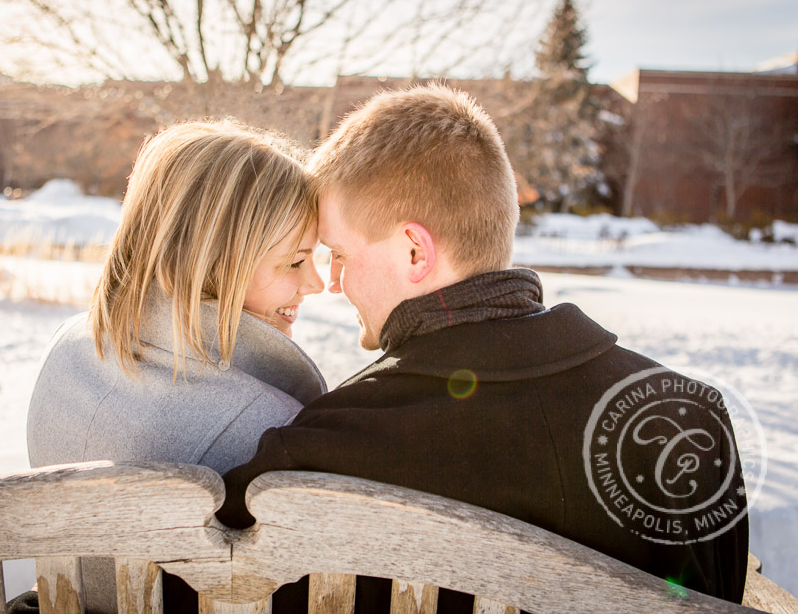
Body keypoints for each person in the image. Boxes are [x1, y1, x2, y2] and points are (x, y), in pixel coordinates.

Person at [217, 85, 749, 610]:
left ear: (414, 251)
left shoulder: (321, 450)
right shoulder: (690, 420)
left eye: (338, 254)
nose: (332, 282)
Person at [23, 121, 327, 613]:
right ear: (217, 261)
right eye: (294, 262)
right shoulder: (271, 430)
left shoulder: (70, 352)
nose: (316, 282)